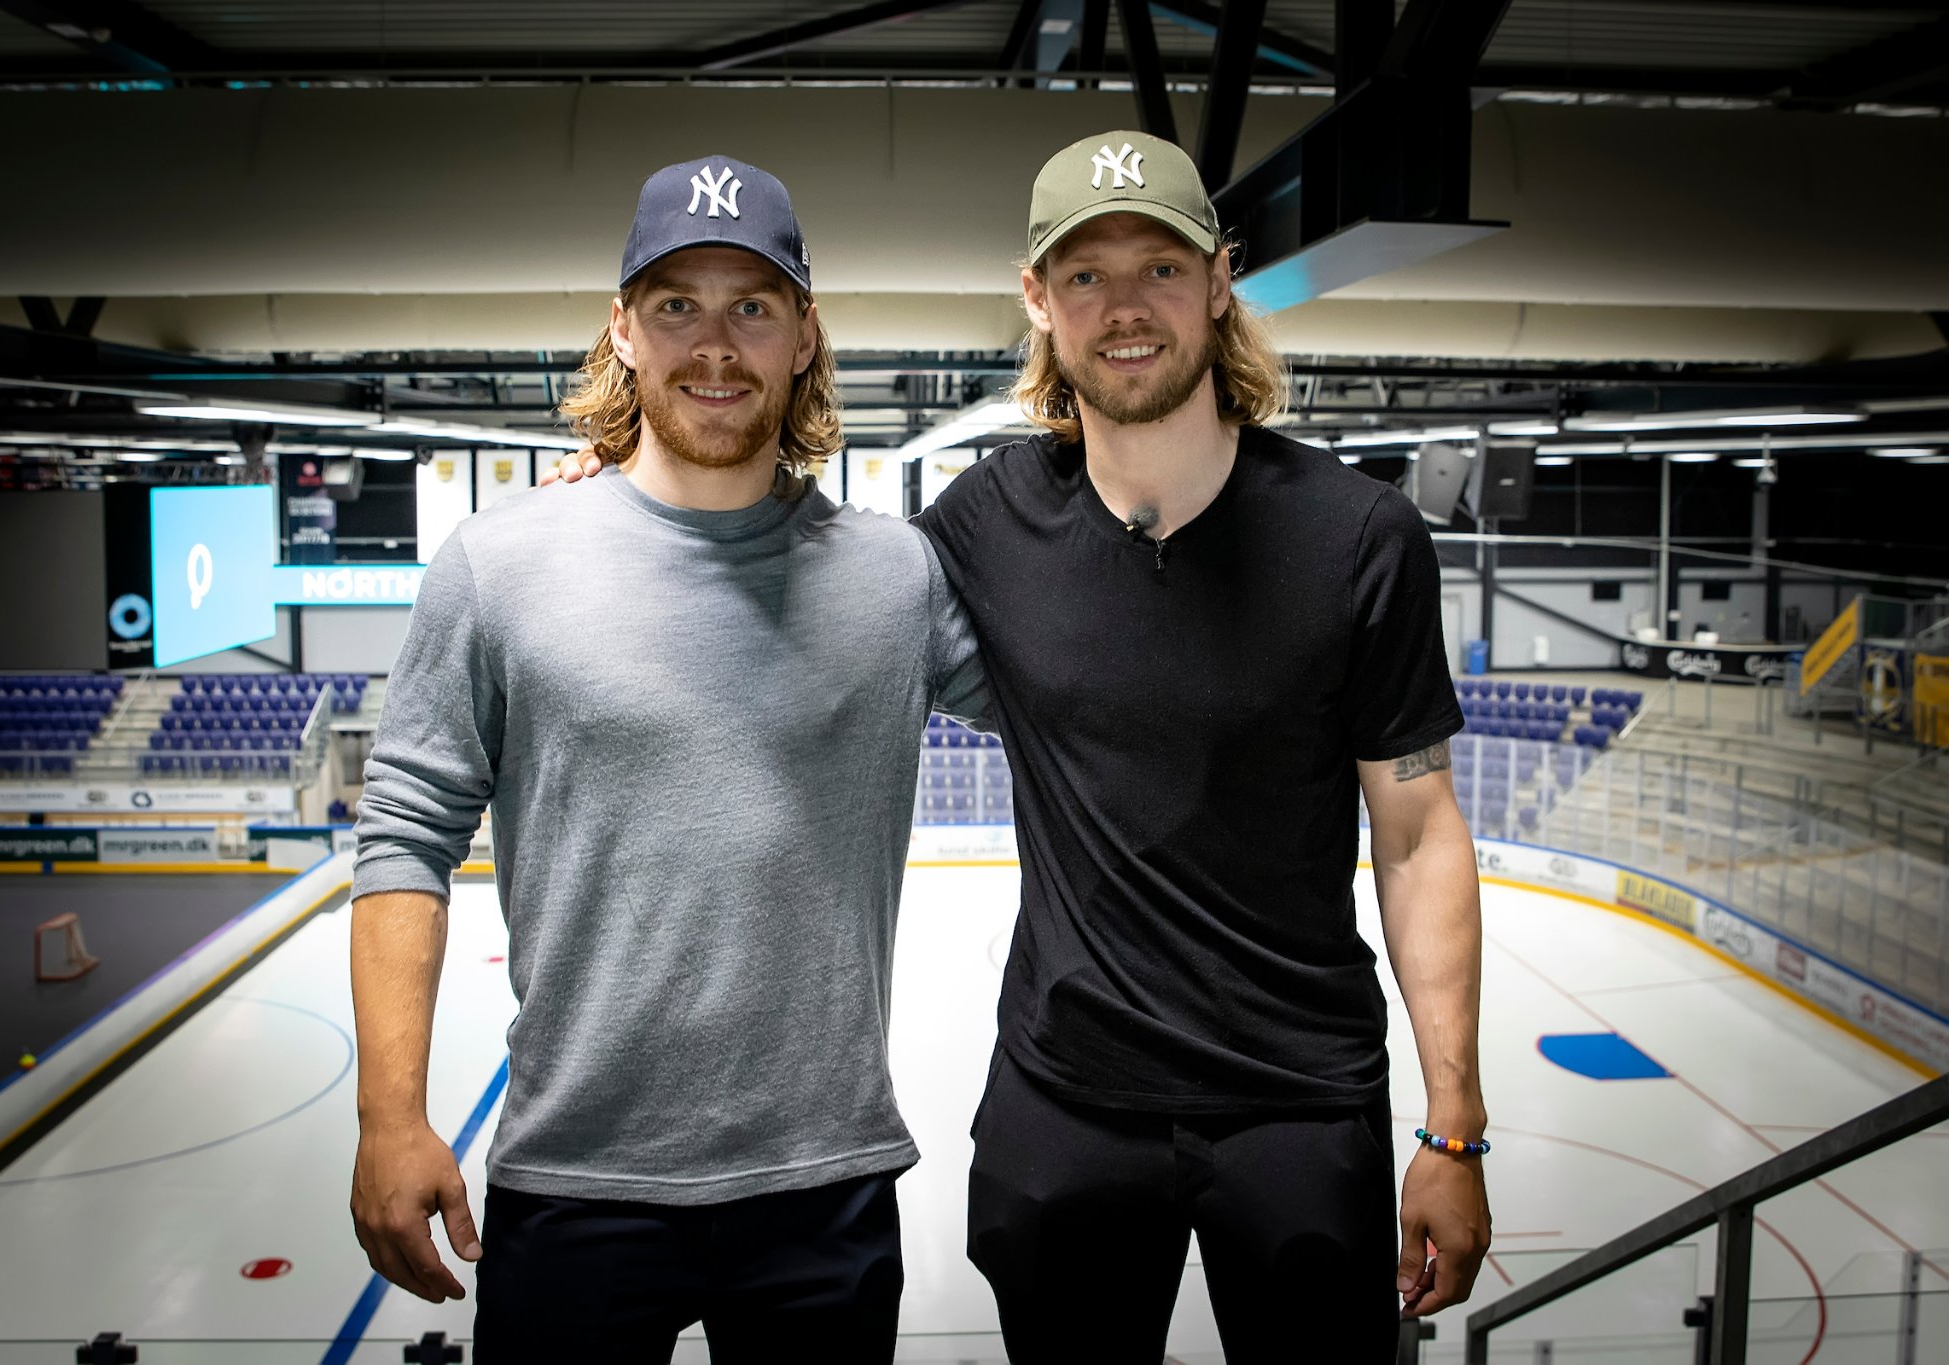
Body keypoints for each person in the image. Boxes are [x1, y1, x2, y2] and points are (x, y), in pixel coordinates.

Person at [549, 130, 1490, 1363]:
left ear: (1220, 282)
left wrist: (1453, 1129)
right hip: (1065, 1098)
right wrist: (623, 497)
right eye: (1083, 276)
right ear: (1037, 303)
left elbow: (1417, 835)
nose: (1124, 307)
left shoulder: (1357, 536)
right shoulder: (983, 523)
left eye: (1159, 266)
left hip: (1300, 1099)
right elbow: (805, 570)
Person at [350, 155, 989, 1364]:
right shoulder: (501, 564)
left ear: (804, 334)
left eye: (752, 305)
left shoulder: (893, 576)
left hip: (824, 1176)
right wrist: (391, 1118)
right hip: (575, 1180)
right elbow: (403, 834)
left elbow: (1091, 697)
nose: (713, 344)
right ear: (622, 330)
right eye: (675, 305)